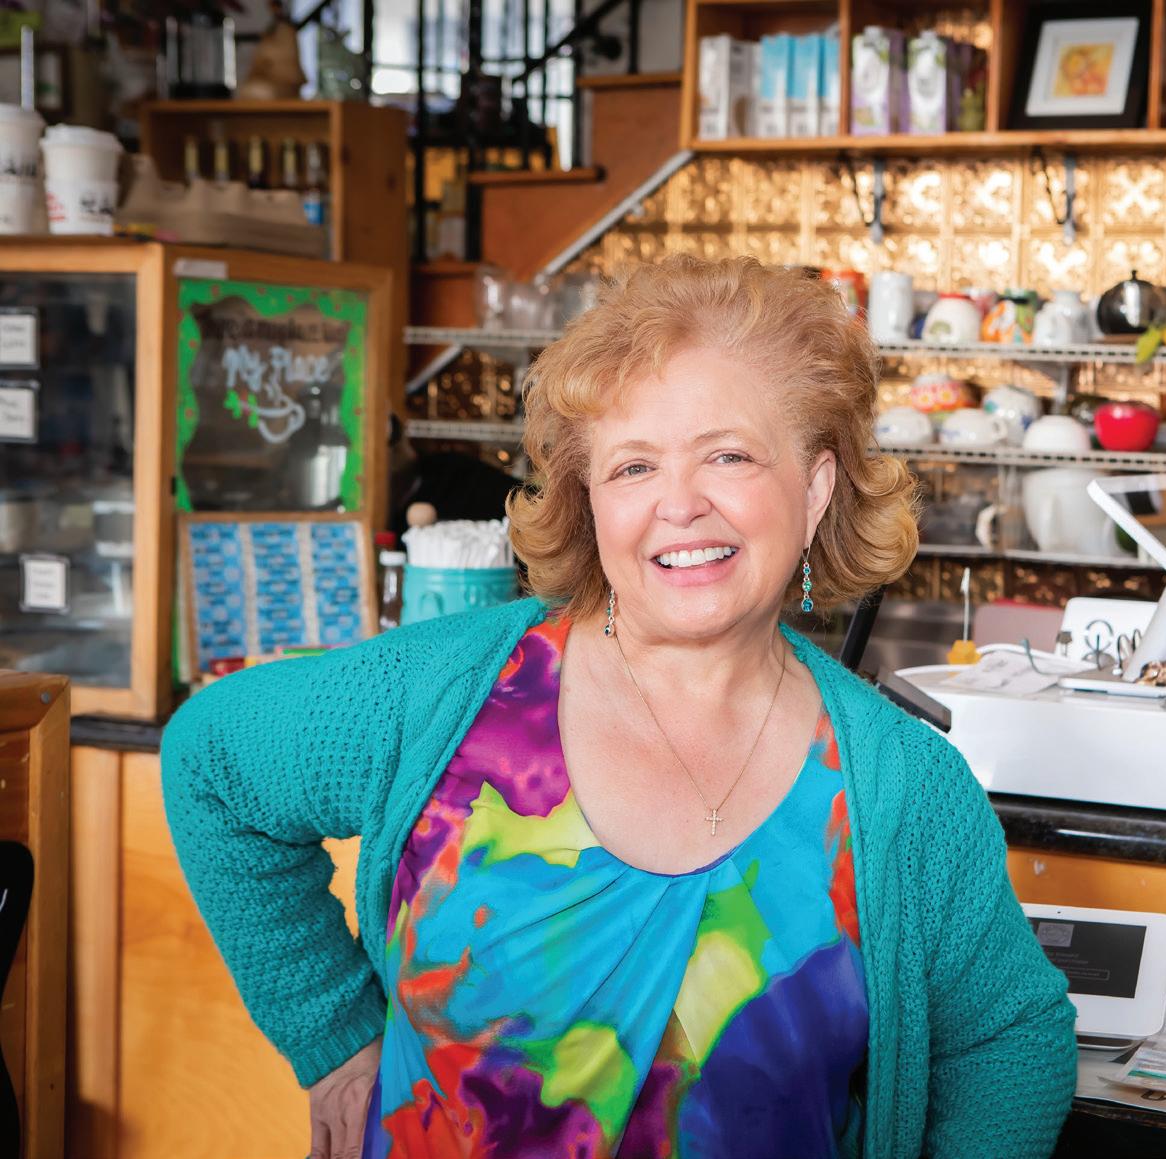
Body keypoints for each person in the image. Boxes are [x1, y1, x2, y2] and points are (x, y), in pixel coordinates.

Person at [162, 254, 1078, 1159]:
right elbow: (211, 763)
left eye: (727, 455)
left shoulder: (904, 790)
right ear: (589, 501)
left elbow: (1010, 1039)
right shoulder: (445, 693)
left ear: (815, 487)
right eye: (634, 467)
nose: (678, 504)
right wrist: (334, 1034)